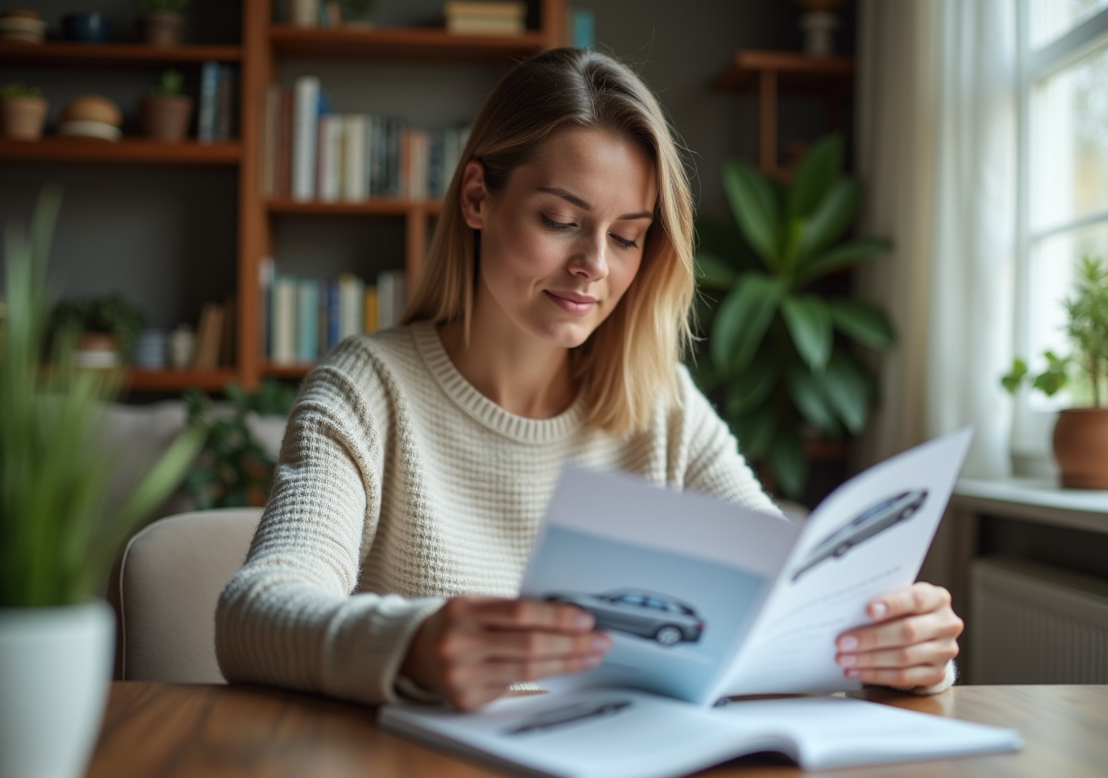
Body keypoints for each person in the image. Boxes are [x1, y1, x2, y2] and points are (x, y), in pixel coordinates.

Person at [215, 48, 962, 711]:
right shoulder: (366, 391)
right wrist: (414, 645)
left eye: (628, 237)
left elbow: (785, 599)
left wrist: (895, 643)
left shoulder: (661, 402)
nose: (595, 268)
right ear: (478, 198)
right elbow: (255, 611)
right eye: (560, 220)